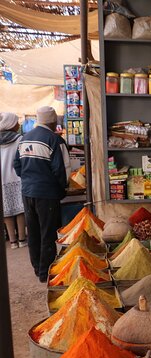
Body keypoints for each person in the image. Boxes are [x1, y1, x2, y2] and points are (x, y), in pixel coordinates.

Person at [13, 106, 68, 282]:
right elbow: (62, 170)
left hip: (27, 192)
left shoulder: (24, 138)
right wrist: (61, 189)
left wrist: (29, 180)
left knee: (34, 231)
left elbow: (17, 165)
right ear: (53, 122)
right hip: (47, 193)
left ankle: (37, 267)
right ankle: (46, 272)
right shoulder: (54, 139)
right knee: (48, 232)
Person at [0, 112, 26, 249]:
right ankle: (22, 239)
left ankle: (13, 241)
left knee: (6, 210)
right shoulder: (19, 139)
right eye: (16, 122)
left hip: (2, 179)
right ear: (11, 124)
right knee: (19, 209)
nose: (18, 124)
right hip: (17, 177)